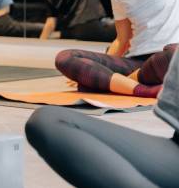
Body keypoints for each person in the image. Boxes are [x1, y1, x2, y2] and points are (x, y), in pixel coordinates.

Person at [25, 42, 179, 188]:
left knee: (170, 53)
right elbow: (122, 38)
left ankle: (133, 87)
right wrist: (101, 72)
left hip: (161, 60)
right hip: (138, 65)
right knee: (48, 117)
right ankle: (138, 88)